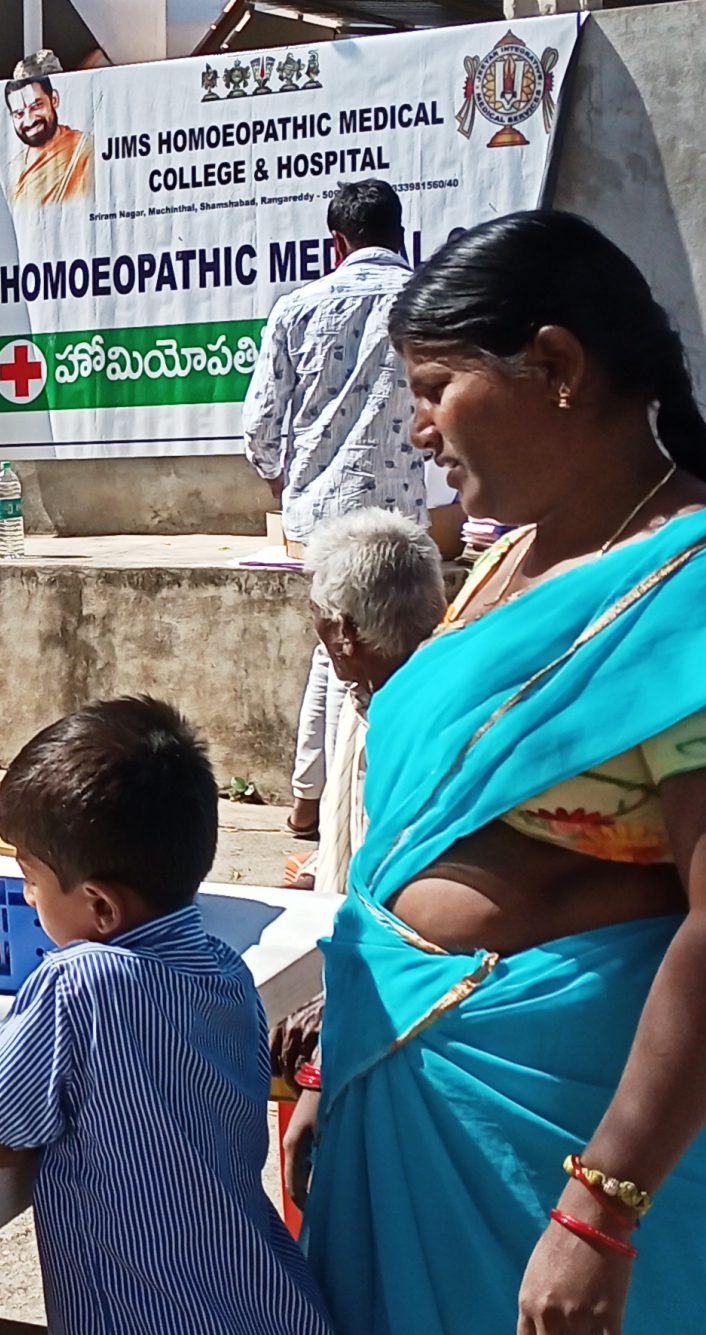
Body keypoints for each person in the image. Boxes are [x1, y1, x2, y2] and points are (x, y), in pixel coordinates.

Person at [285, 211, 706, 1335]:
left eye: (435, 388)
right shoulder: (511, 558)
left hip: (559, 1144)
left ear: (554, 368)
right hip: (404, 1097)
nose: (415, 425)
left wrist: (601, 1209)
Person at [0, 698, 342, 1335]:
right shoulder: (223, 969)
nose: (25, 896)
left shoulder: (77, 983)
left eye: (31, 878)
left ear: (100, 909)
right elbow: (133, 1102)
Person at [244, 179, 432, 840]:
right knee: (375, 656)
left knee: (337, 649)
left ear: (338, 243)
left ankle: (312, 802)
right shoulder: (428, 305)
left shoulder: (296, 307)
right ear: (400, 233)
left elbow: (260, 427)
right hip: (402, 516)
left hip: (319, 516)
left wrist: (278, 476)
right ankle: (340, 804)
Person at [288, 510, 445, 895]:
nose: (315, 630)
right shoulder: (368, 692)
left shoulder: (413, 720)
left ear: (344, 632)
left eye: (315, 615)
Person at [5, 52, 94, 209]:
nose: (29, 120)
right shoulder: (12, 169)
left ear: (54, 100)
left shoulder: (85, 148)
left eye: (36, 106)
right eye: (19, 113)